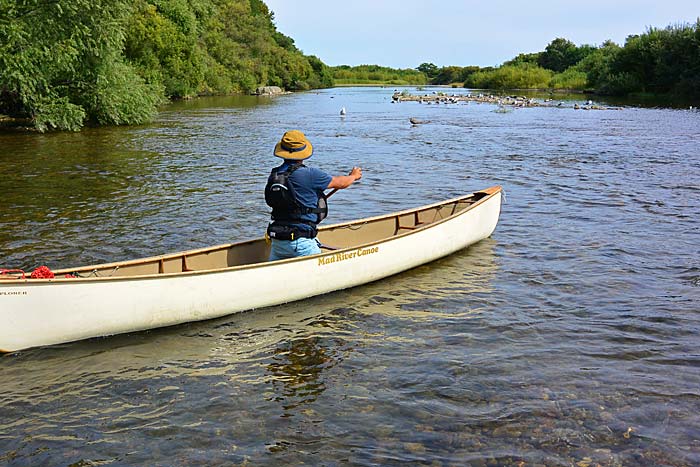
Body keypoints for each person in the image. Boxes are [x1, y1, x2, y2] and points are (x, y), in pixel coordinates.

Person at [265, 130, 362, 261]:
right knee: (322, 274)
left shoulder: (275, 174)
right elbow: (340, 183)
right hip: (302, 243)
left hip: (278, 241)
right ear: (303, 153)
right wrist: (353, 176)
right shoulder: (310, 174)